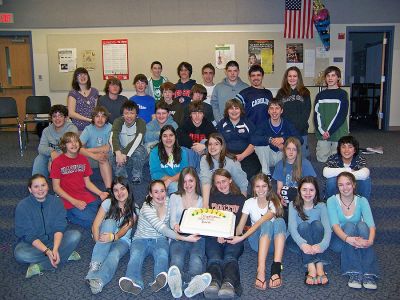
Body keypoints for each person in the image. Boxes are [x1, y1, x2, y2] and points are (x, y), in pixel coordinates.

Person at [119, 180, 200, 295]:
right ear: (150, 194)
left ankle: (160, 279)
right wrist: (186, 238)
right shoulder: (147, 208)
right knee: (136, 256)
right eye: (156, 192)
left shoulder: (168, 201)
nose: (160, 195)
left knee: (162, 255)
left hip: (160, 239)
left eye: (162, 191)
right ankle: (133, 280)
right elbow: (163, 229)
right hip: (141, 238)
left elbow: (179, 212)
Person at [14, 174, 82, 279]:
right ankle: (65, 254)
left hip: (54, 241)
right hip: (33, 245)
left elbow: (59, 227)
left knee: (75, 235)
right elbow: (28, 235)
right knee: (20, 254)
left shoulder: (56, 202)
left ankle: (42, 265)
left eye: (43, 185)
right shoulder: (23, 206)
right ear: (30, 189)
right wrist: (47, 251)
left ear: (48, 186)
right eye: (36, 187)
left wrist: (54, 249)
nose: (40, 189)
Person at [227, 173, 286, 290]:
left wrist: (242, 238)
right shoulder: (249, 202)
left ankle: (276, 267)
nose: (261, 190)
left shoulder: (274, 202)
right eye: (257, 186)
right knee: (268, 224)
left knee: (278, 221)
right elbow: (240, 228)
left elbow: (260, 222)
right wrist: (228, 235)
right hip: (257, 242)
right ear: (253, 188)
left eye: (264, 186)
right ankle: (261, 269)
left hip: (275, 243)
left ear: (269, 187)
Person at [85, 177, 137, 294]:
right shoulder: (108, 203)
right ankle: (95, 264)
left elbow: (124, 230)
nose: (120, 193)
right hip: (104, 234)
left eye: (122, 188)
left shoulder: (135, 209)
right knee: (109, 222)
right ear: (112, 193)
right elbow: (96, 225)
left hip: (122, 240)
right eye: (116, 190)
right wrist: (98, 241)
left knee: (114, 255)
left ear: (128, 189)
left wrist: (113, 237)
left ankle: (99, 280)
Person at [327, 172, 378, 290]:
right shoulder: (332, 201)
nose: (345, 188)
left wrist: (370, 241)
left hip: (361, 238)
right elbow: (335, 226)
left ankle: (368, 273)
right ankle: (354, 272)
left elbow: (371, 225)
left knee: (362, 225)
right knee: (349, 225)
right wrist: (348, 239)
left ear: (354, 185)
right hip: (339, 240)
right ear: (337, 187)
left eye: (348, 184)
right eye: (341, 185)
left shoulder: (362, 200)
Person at [168, 167, 212, 298]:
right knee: (176, 258)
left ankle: (192, 283)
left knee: (196, 259)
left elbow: (204, 221)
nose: (188, 185)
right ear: (181, 183)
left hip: (197, 236)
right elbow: (172, 220)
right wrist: (175, 226)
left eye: (191, 181)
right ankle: (176, 284)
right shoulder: (175, 197)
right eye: (185, 182)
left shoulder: (201, 200)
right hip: (179, 236)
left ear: (196, 181)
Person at [50, 132, 109, 228]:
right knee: (94, 220)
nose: (74, 144)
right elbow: (56, 188)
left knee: (105, 212)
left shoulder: (83, 159)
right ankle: (67, 215)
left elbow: (88, 183)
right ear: (64, 145)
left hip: (84, 196)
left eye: (76, 141)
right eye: (70, 142)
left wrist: (100, 193)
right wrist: (74, 202)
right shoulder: (57, 162)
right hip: (68, 200)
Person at [203, 169, 246, 299]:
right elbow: (207, 221)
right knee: (214, 257)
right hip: (213, 236)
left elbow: (242, 226)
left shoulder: (240, 199)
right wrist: (217, 234)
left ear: (230, 180)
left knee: (230, 257)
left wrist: (228, 235)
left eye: (224, 181)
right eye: (218, 183)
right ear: (214, 184)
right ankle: (214, 282)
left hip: (233, 237)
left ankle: (229, 283)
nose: (221, 185)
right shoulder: (211, 198)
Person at [287, 176, 331, 286]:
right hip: (297, 243)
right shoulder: (293, 205)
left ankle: (320, 266)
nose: (308, 193)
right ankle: (311, 266)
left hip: (317, 243)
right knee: (304, 226)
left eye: (311, 190)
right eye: (304, 189)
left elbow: (327, 229)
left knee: (317, 224)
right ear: (299, 191)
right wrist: (303, 244)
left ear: (316, 192)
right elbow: (292, 229)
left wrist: (322, 245)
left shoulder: (321, 206)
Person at [253, 98, 302, 176]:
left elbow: (300, 139)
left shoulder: (287, 123)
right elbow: (253, 139)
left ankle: (288, 170)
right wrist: (270, 140)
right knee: (259, 145)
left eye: (277, 108)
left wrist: (284, 140)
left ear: (281, 111)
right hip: (269, 157)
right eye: (271, 108)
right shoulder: (263, 124)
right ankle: (266, 174)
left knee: (293, 146)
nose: (274, 111)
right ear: (268, 111)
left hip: (282, 155)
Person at [272, 137, 316, 223]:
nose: (291, 152)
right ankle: (291, 216)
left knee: (293, 191)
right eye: (288, 149)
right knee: (285, 191)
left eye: (294, 149)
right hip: (287, 197)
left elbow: (312, 186)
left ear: (298, 152)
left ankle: (299, 214)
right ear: (284, 150)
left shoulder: (305, 163)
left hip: (303, 196)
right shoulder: (280, 165)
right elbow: (279, 189)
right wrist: (281, 198)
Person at [200, 132, 248, 208]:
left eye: (216, 144)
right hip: (213, 195)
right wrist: (205, 204)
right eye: (210, 144)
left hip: (230, 195)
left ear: (222, 146)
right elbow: (206, 181)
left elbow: (242, 184)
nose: (212, 147)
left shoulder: (232, 162)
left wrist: (244, 207)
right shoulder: (205, 159)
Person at [217, 99, 261, 181]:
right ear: (227, 110)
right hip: (228, 157)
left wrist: (242, 156)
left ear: (241, 110)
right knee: (226, 176)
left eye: (236, 108)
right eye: (231, 108)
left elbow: (253, 143)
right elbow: (217, 143)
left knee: (246, 177)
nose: (234, 111)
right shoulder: (221, 124)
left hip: (247, 156)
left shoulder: (248, 123)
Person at [314, 66, 349, 162]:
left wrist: (330, 131)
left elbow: (341, 115)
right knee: (321, 158)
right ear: (325, 78)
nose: (330, 78)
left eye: (333, 75)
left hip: (338, 131)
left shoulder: (342, 94)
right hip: (323, 132)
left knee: (338, 159)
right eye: (328, 76)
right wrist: (322, 131)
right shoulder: (320, 95)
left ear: (338, 78)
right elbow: (317, 115)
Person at [32, 104, 78, 177]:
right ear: (51, 118)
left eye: (60, 116)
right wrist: (52, 152)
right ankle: (39, 183)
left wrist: (53, 159)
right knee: (39, 158)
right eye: (54, 116)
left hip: (68, 156)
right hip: (52, 155)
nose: (57, 119)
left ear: (66, 118)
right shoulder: (46, 130)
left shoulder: (72, 129)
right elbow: (41, 148)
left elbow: (70, 149)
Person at [276, 66, 311, 158]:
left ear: (298, 78)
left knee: (303, 157)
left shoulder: (305, 92)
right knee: (288, 156)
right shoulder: (281, 92)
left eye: (295, 76)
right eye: (290, 76)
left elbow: (306, 112)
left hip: (301, 130)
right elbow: (278, 111)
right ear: (286, 78)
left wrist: (296, 130)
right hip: (286, 131)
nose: (292, 78)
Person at [110, 101, 147, 185]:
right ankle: (121, 175)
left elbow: (138, 140)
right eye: (126, 113)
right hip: (122, 152)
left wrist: (124, 154)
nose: (129, 116)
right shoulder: (118, 121)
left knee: (140, 150)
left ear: (136, 114)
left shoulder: (141, 122)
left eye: (132, 113)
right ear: (122, 114)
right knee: (111, 151)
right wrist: (118, 153)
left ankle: (136, 174)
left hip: (137, 152)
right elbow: (113, 137)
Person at [323, 135, 371, 199]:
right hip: (338, 190)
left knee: (366, 180)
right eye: (343, 147)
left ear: (355, 150)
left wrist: (339, 174)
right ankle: (331, 203)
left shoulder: (360, 159)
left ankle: (362, 203)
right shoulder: (333, 158)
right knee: (331, 181)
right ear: (339, 149)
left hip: (353, 188)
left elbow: (365, 174)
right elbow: (325, 172)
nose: (346, 150)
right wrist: (349, 171)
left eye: (350, 147)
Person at [79, 106, 113, 190]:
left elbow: (108, 148)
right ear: (93, 118)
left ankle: (109, 189)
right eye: (97, 116)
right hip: (91, 157)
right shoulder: (88, 129)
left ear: (106, 118)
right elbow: (78, 148)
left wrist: (89, 150)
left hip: (107, 156)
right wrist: (93, 155)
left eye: (103, 116)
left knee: (102, 157)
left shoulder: (110, 127)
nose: (100, 119)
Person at [177, 101, 216, 171]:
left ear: (203, 114)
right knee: (185, 150)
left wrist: (205, 146)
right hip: (191, 154)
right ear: (190, 114)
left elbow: (217, 139)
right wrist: (194, 146)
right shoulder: (185, 124)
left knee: (205, 141)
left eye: (200, 113)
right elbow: (180, 138)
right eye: (194, 113)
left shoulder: (208, 124)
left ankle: (207, 171)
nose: (197, 116)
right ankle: (192, 172)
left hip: (204, 154)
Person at [150, 125, 188, 195]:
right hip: (161, 183)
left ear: (175, 137)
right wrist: (170, 181)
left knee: (176, 187)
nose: (168, 138)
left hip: (178, 182)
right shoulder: (154, 152)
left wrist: (170, 180)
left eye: (171, 135)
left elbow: (184, 171)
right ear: (161, 138)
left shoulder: (182, 151)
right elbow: (155, 173)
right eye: (165, 136)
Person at [67, 67, 99, 131]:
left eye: (85, 74)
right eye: (79, 75)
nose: (83, 76)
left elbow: (96, 109)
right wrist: (88, 119)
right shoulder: (73, 93)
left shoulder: (94, 91)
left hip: (92, 126)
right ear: (76, 78)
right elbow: (71, 113)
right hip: (78, 128)